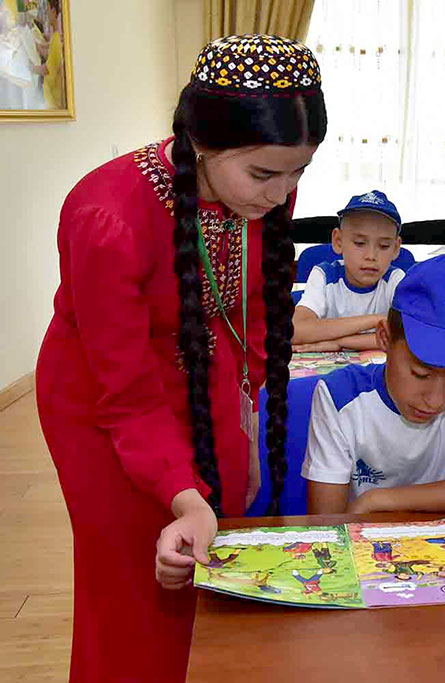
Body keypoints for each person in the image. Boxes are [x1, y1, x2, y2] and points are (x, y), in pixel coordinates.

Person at [34, 34, 326, 681]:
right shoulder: (105, 216)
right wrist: (183, 492)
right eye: (266, 174)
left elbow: (250, 313)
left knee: (213, 556)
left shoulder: (264, 188)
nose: (283, 194)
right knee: (137, 578)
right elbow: (128, 394)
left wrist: (246, 422)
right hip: (101, 400)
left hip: (205, 368)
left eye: (299, 171)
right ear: (202, 139)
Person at [303, 255, 445, 515]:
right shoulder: (339, 396)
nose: (435, 400)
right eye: (420, 374)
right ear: (384, 338)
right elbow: (328, 525)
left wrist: (378, 500)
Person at [292, 190, 404, 351]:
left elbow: (405, 336)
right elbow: (296, 330)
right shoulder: (324, 276)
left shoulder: (395, 279)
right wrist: (376, 320)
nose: (371, 256)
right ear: (338, 241)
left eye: (384, 246)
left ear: (395, 248)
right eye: (359, 243)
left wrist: (339, 343)